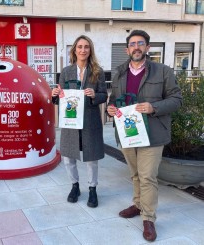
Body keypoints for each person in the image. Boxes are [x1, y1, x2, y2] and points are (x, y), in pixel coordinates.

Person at [106, 30, 182, 242]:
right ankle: (138, 204)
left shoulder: (163, 71)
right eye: (132, 44)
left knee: (147, 176)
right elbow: (113, 100)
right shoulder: (120, 73)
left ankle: (148, 218)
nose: (136, 47)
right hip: (128, 132)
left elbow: (177, 99)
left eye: (140, 43)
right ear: (127, 49)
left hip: (153, 133)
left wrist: (153, 107)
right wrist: (110, 109)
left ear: (148, 47)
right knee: (135, 174)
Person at [52, 35, 107, 208]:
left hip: (90, 120)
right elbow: (61, 96)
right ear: (74, 50)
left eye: (86, 47)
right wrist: (55, 96)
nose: (83, 50)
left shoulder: (98, 71)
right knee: (69, 157)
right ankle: (75, 186)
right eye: (80, 47)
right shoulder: (66, 71)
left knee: (91, 159)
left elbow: (104, 95)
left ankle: (92, 189)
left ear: (90, 50)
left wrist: (94, 96)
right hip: (71, 121)